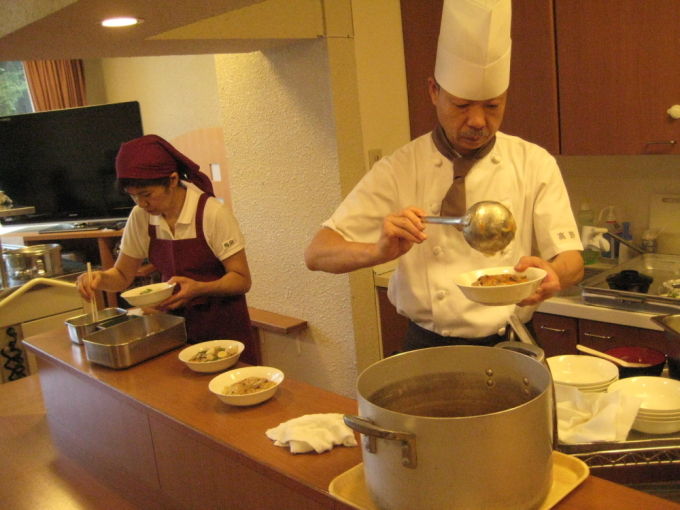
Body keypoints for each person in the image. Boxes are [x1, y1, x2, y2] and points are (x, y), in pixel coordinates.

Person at [304, 0, 584, 351]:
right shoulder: (399, 168)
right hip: (427, 344)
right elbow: (317, 254)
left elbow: (572, 258)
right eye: (462, 105)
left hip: (510, 341)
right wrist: (378, 250)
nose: (479, 121)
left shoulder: (533, 162)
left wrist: (553, 273)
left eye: (493, 106)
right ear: (434, 91)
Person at [76, 134, 255, 353]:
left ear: (172, 179)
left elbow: (241, 279)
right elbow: (122, 276)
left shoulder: (211, 213)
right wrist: (99, 279)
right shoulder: (141, 217)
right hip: (171, 331)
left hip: (224, 331)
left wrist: (200, 288)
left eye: (146, 194)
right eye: (133, 197)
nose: (141, 203)